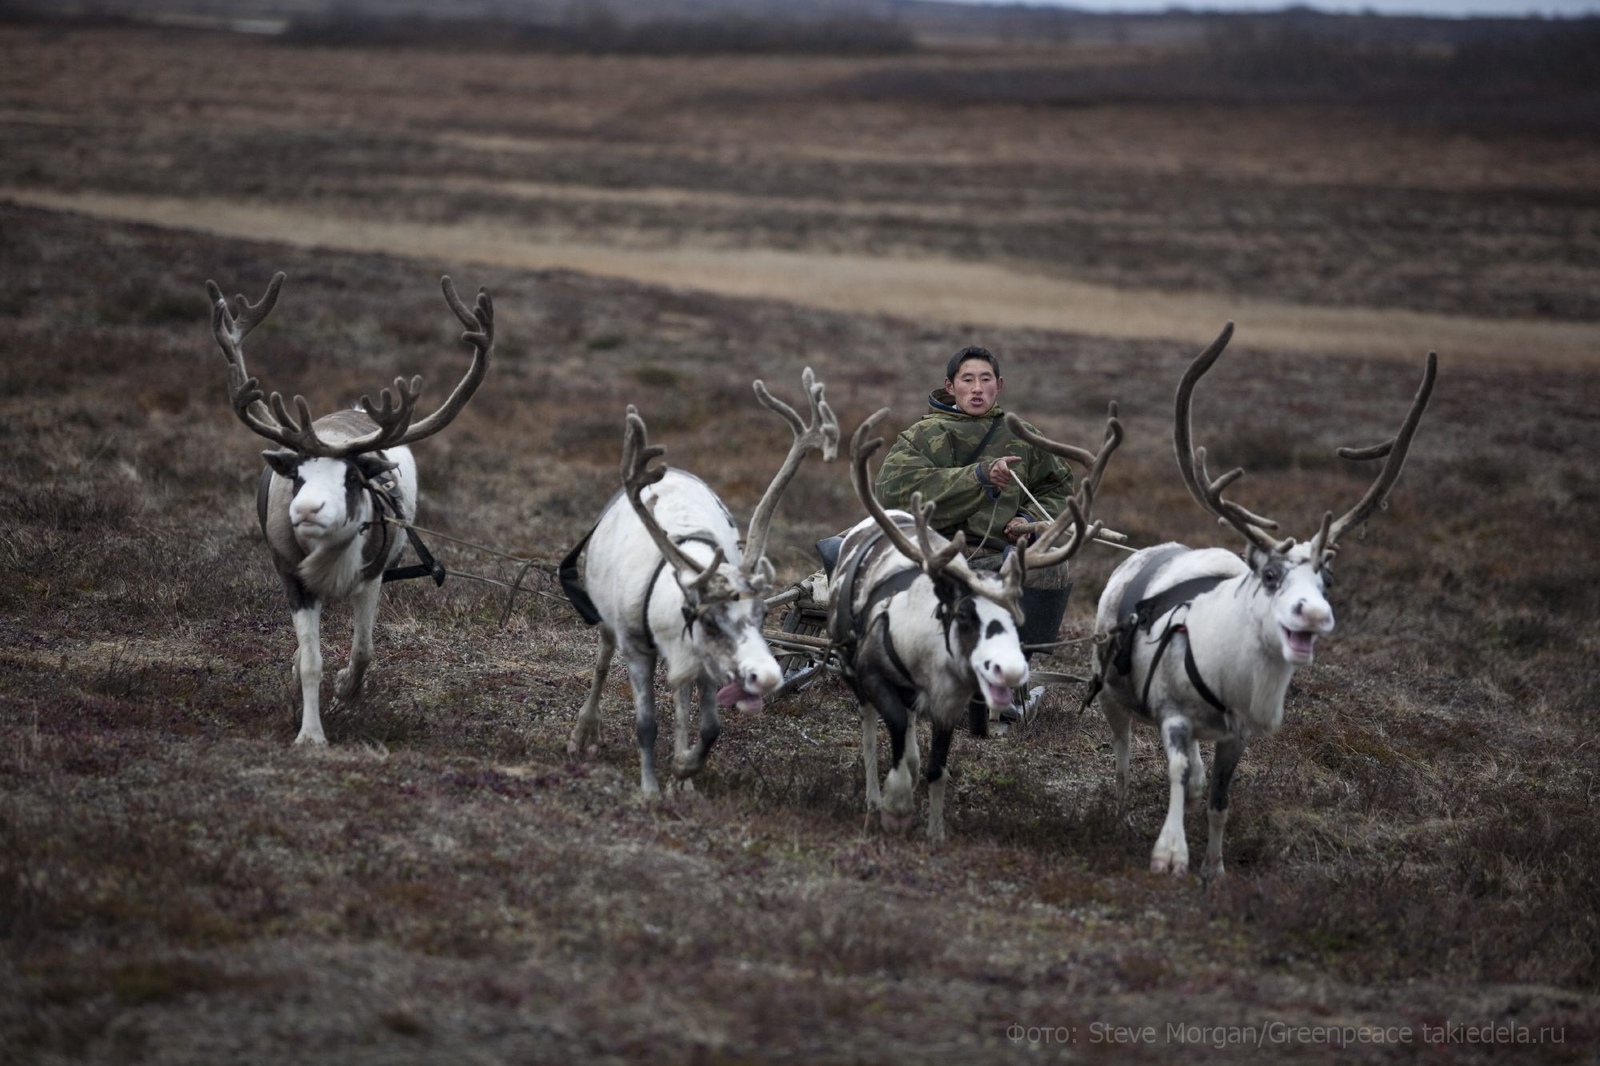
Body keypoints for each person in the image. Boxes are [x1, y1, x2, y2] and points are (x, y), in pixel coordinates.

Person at [873, 345, 1074, 733]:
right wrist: (978, 477)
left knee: (1052, 567)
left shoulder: (1023, 437)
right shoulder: (922, 435)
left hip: (1003, 555)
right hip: (937, 551)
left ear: (999, 386)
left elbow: (1061, 487)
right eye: (967, 380)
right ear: (950, 386)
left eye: (985, 380)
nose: (977, 389)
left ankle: (1012, 672)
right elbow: (893, 493)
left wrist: (1029, 518)